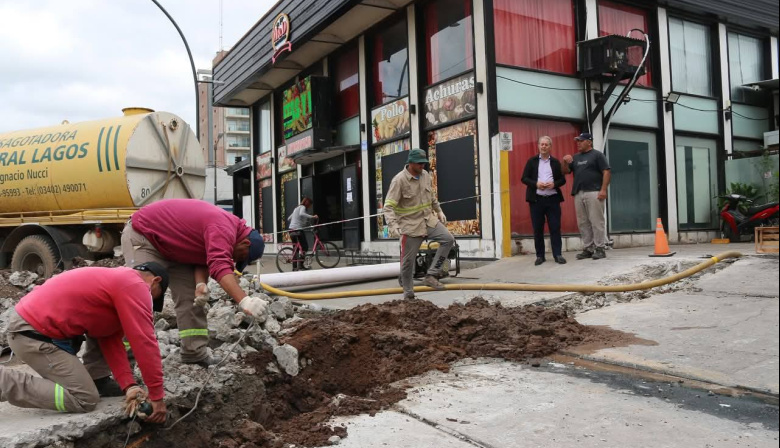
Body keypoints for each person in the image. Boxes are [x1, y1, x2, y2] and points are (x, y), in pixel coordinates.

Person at [0, 263, 170, 423]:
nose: (150, 304)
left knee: (85, 390)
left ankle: (96, 381)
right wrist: (157, 396)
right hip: (31, 334)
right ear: (155, 281)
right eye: (154, 299)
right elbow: (144, 342)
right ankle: (4, 381)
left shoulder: (118, 282)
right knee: (84, 398)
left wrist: (129, 385)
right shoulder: (135, 285)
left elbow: (109, 339)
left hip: (35, 329)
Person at [109, 198, 268, 368]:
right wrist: (245, 300)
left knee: (191, 298)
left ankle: (194, 352)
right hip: (145, 236)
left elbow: (202, 257)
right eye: (241, 256)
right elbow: (219, 264)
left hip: (175, 248)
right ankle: (125, 358)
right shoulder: (223, 227)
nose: (234, 259)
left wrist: (200, 284)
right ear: (245, 242)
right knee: (139, 296)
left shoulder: (225, 230)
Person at [384, 148, 455, 300]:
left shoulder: (426, 176)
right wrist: (393, 225)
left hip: (428, 220)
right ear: (410, 163)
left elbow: (432, 197)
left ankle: (431, 275)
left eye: (424, 163)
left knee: (448, 239)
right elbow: (388, 206)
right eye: (419, 163)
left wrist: (439, 211)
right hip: (410, 225)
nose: (423, 166)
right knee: (408, 262)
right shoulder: (399, 180)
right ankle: (408, 294)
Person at [562, 133, 611, 260]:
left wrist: (603, 189)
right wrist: (565, 162)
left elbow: (606, 171)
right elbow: (566, 171)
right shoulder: (576, 157)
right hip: (579, 192)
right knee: (583, 222)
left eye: (581, 141)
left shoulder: (597, 155)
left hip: (594, 192)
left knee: (596, 221)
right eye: (577, 141)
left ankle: (600, 248)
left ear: (589, 142)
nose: (578, 143)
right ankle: (588, 248)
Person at [521, 136, 567, 266]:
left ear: (550, 147)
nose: (544, 146)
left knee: (555, 227)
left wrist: (554, 184)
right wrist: (536, 184)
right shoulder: (532, 161)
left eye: (546, 144)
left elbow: (562, 180)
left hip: (553, 199)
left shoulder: (556, 162)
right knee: (537, 229)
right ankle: (540, 256)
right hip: (536, 200)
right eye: (542, 144)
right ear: (538, 146)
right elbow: (524, 178)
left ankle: (558, 254)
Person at [287, 196, 318, 271]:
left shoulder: (296, 208)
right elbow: (301, 214)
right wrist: (312, 217)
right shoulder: (303, 207)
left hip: (291, 230)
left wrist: (302, 221)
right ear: (307, 203)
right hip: (298, 230)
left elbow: (289, 218)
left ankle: (294, 268)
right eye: (310, 204)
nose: (310, 206)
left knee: (295, 249)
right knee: (305, 247)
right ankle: (301, 265)